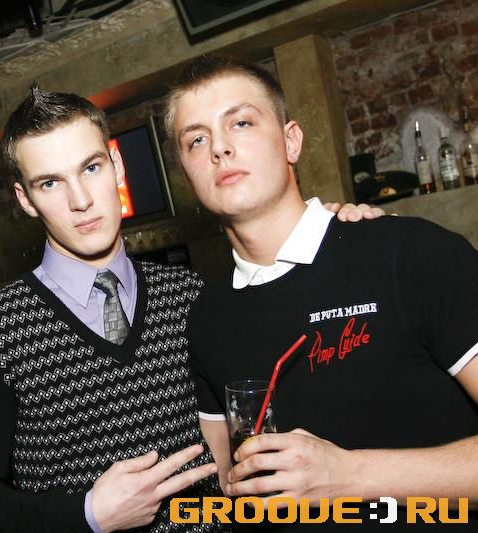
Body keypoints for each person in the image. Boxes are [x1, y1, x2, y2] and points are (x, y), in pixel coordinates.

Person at [0, 84, 377, 533]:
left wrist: (345, 238)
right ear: (25, 199)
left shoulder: (192, 297)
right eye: (50, 183)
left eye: (91, 168)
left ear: (116, 166)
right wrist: (87, 514)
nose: (80, 200)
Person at [165, 56, 478, 528]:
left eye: (241, 123)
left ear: (291, 141)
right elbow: (227, 491)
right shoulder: (207, 317)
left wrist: (349, 476)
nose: (220, 148)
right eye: (197, 139)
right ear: (187, 175)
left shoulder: (410, 254)